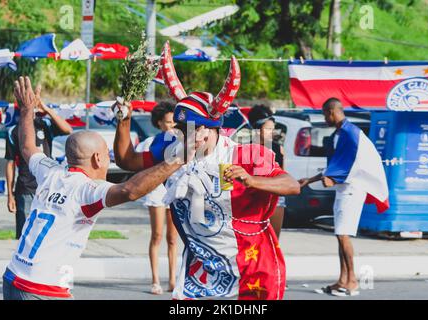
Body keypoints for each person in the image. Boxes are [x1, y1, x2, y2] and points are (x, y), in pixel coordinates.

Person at [113, 42, 301, 300]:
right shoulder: (172, 146)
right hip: (202, 268)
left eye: (196, 129)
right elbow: (127, 160)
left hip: (251, 267)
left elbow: (292, 185)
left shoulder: (246, 153)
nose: (189, 135)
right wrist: (123, 120)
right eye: (182, 129)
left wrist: (252, 180)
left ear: (213, 129)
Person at [3, 76, 192, 300]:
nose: (108, 160)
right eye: (106, 155)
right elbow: (130, 190)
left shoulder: (50, 172)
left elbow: (26, 146)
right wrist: (179, 158)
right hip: (43, 290)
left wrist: (26, 109)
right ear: (96, 159)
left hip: (13, 277)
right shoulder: (87, 190)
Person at [299, 98, 389, 297]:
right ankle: (342, 279)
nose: (325, 118)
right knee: (340, 235)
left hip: (351, 190)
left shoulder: (350, 132)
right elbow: (337, 164)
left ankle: (353, 282)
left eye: (325, 114)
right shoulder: (340, 133)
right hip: (344, 190)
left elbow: (353, 161)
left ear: (332, 112)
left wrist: (333, 177)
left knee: (343, 235)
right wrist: (311, 180)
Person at [5, 86, 73, 239]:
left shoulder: (45, 124)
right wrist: (10, 195)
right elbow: (10, 164)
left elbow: (68, 129)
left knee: (47, 235)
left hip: (47, 187)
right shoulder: (14, 130)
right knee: (25, 235)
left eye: (34, 97)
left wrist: (45, 108)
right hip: (25, 189)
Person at [135, 102, 178, 294]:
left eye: (174, 122)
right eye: (168, 122)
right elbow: (139, 166)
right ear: (159, 123)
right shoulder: (151, 142)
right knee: (158, 236)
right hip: (157, 192)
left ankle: (172, 280)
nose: (172, 125)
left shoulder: (181, 142)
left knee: (173, 239)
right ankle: (155, 280)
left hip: (174, 190)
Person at [247, 104, 286, 240]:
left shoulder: (277, 148)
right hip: (254, 199)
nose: (272, 132)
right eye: (268, 129)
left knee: (273, 242)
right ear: (257, 129)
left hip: (275, 198)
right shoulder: (246, 149)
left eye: (272, 129)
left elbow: (283, 174)